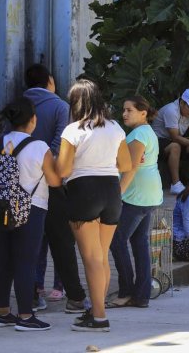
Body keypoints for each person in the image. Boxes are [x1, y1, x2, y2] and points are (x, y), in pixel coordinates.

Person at [56, 79, 132, 332]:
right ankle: (96, 311)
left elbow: (63, 170)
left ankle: (98, 317)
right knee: (101, 257)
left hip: (83, 191)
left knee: (91, 260)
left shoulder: (73, 130)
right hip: (111, 191)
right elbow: (126, 165)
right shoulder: (115, 127)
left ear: (75, 104)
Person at [0, 97, 62, 331]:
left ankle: (2, 313)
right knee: (26, 262)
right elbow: (54, 181)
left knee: (3, 262)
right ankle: (26, 316)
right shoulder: (39, 147)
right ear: (33, 120)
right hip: (31, 209)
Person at [23, 64, 82, 311]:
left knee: (29, 244)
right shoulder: (60, 106)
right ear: (50, 81)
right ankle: (75, 296)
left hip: (23, 187)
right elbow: (61, 143)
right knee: (63, 243)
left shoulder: (19, 104)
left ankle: (32, 293)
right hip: (52, 183)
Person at [107, 97, 163, 309]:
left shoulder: (139, 134)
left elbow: (130, 168)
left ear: (143, 113)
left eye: (129, 110)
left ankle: (127, 292)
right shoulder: (146, 132)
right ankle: (141, 295)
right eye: (123, 110)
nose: (124, 114)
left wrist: (117, 194)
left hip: (137, 196)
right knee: (139, 242)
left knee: (117, 240)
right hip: (148, 195)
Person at [151, 89, 189, 195]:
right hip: (156, 141)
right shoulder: (171, 110)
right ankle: (175, 184)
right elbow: (175, 137)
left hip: (172, 140)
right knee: (175, 146)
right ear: (182, 103)